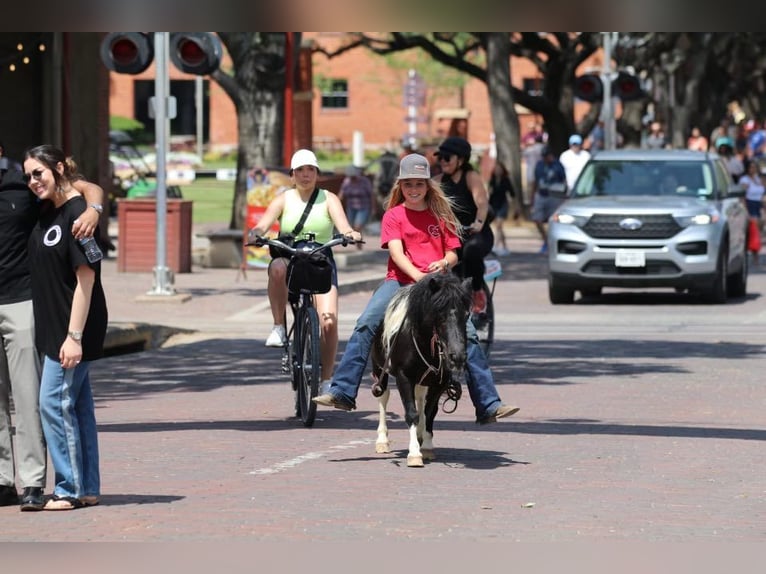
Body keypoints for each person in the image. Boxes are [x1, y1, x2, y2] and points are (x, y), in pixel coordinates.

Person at [312, 153, 519, 425]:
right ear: (400, 187)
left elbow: (454, 253)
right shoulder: (394, 215)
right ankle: (343, 390)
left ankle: (489, 404)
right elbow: (397, 254)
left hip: (438, 285)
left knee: (467, 334)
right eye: (408, 184)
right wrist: (418, 276)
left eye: (419, 184)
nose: (413, 190)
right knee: (366, 323)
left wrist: (444, 261)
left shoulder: (441, 214)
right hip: (399, 282)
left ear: (427, 186)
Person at [0, 148, 102, 512]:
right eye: (30, 176)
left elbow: (86, 279)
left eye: (38, 174)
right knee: (76, 406)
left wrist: (74, 337)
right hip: (55, 322)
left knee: (45, 401)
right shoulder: (43, 200)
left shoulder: (64, 207)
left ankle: (54, 486)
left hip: (48, 318)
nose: (34, 180)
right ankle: (83, 487)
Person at [248, 149, 362, 388]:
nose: (305, 175)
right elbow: (263, 224)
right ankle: (279, 326)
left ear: (317, 173)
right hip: (291, 256)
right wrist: (257, 234)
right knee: (277, 267)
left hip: (320, 260)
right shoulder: (284, 199)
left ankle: (327, 379)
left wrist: (351, 234)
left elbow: (344, 226)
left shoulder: (329, 198)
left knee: (329, 323)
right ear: (292, 175)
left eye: (310, 169)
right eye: (300, 170)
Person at [433, 136, 494, 314]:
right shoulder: (436, 182)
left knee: (471, 251)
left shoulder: (471, 177)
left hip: (475, 233)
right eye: (440, 158)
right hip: (450, 236)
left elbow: (482, 204)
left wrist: (479, 223)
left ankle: (477, 291)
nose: (442, 161)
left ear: (461, 160)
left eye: (447, 158)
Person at [530, 146, 567, 254]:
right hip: (541, 194)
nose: (546, 158)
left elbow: (564, 181)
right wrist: (532, 197)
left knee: (552, 221)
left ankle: (552, 243)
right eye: (544, 156)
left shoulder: (558, 165)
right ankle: (546, 241)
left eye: (547, 156)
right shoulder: (540, 165)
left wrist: (564, 195)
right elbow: (535, 181)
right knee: (537, 219)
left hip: (554, 196)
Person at [338, 166, 373, 250]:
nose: (352, 178)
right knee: (352, 227)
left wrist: (373, 208)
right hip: (351, 207)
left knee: (358, 226)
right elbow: (341, 194)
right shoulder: (347, 182)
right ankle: (358, 243)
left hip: (363, 207)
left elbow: (371, 195)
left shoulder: (364, 181)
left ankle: (359, 246)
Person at [487, 159, 517, 257]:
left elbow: (512, 193)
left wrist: (514, 206)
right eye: (496, 169)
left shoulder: (505, 180)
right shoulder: (492, 180)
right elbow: (489, 192)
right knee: (499, 228)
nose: (498, 171)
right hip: (493, 204)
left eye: (499, 169)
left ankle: (495, 246)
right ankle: (505, 247)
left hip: (503, 204)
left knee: (499, 225)